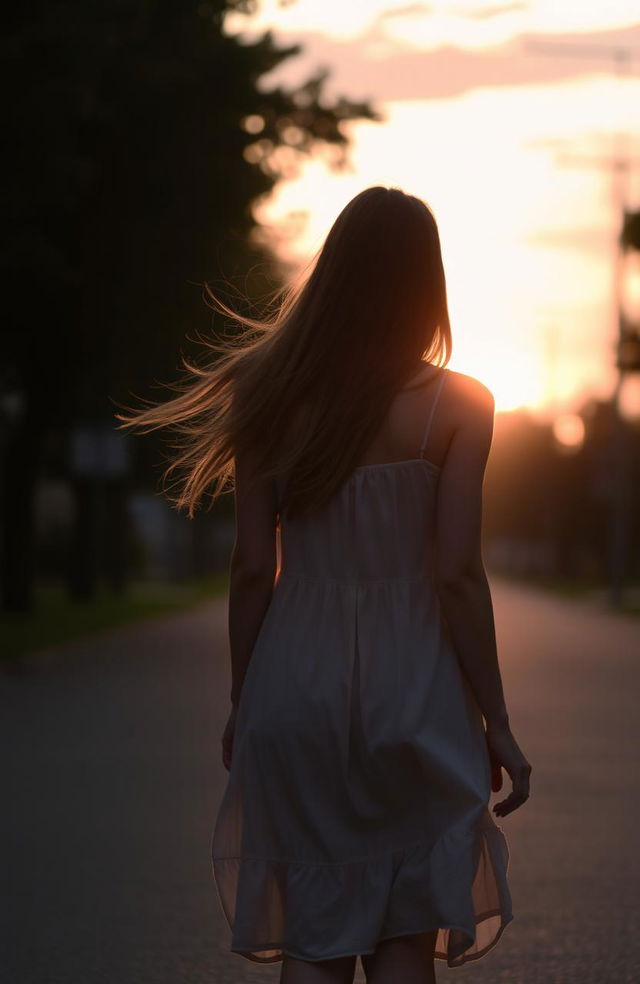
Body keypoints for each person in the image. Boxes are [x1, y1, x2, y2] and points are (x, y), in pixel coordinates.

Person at [117, 185, 532, 984]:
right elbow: (455, 575)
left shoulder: (268, 393)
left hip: (294, 684)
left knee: (314, 932)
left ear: (333, 273)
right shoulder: (461, 405)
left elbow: (250, 570)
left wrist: (247, 700)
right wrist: (499, 725)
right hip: (415, 689)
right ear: (427, 282)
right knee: (405, 932)